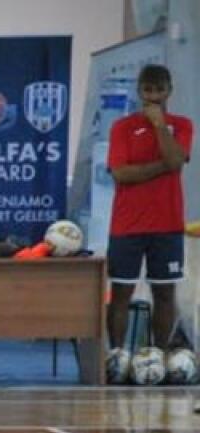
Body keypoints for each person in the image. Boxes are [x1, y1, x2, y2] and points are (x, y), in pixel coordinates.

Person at [105, 64, 192, 372]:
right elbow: (121, 173)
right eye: (148, 90)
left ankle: (159, 358)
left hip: (167, 224)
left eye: (159, 90)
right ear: (139, 91)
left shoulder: (182, 125)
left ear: (169, 91)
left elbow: (176, 159)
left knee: (165, 293)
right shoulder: (122, 127)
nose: (153, 96)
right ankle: (116, 357)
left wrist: (159, 126)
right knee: (121, 293)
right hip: (127, 225)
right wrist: (165, 166)